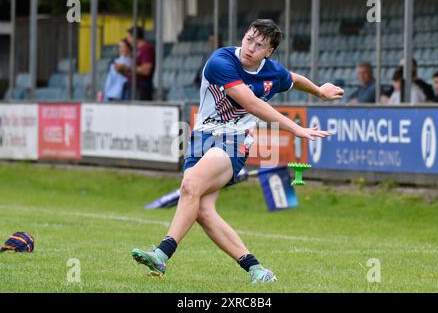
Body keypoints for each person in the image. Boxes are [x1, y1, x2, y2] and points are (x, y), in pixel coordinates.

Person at [131, 19, 344, 283]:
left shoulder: (272, 72)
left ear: (269, 51)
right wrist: (296, 126)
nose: (250, 48)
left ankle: (161, 255)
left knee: (190, 185)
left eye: (259, 45)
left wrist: (319, 92)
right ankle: (257, 270)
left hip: (233, 143)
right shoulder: (221, 61)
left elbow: (292, 79)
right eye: (248, 39)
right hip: (200, 141)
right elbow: (252, 103)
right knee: (202, 210)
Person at [115, 26, 155, 101]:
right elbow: (134, 70)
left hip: (140, 89)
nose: (128, 40)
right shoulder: (136, 50)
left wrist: (127, 68)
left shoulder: (146, 49)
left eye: (129, 37)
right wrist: (122, 71)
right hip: (132, 87)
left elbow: (146, 70)